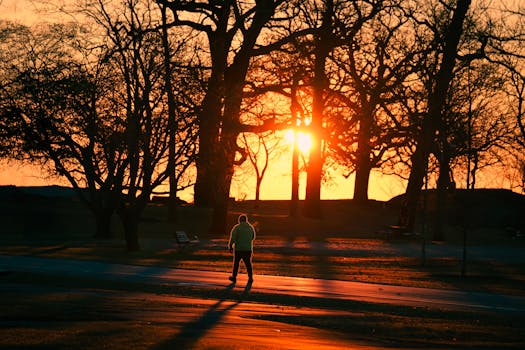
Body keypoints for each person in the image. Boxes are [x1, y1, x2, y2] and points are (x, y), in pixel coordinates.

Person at [228, 214, 256, 284]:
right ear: (246, 220)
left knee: (236, 263)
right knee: (248, 263)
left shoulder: (237, 227)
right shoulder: (250, 227)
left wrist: (230, 245)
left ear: (239, 220)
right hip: (248, 249)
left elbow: (233, 237)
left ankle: (234, 277)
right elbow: (253, 237)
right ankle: (250, 278)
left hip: (239, 249)